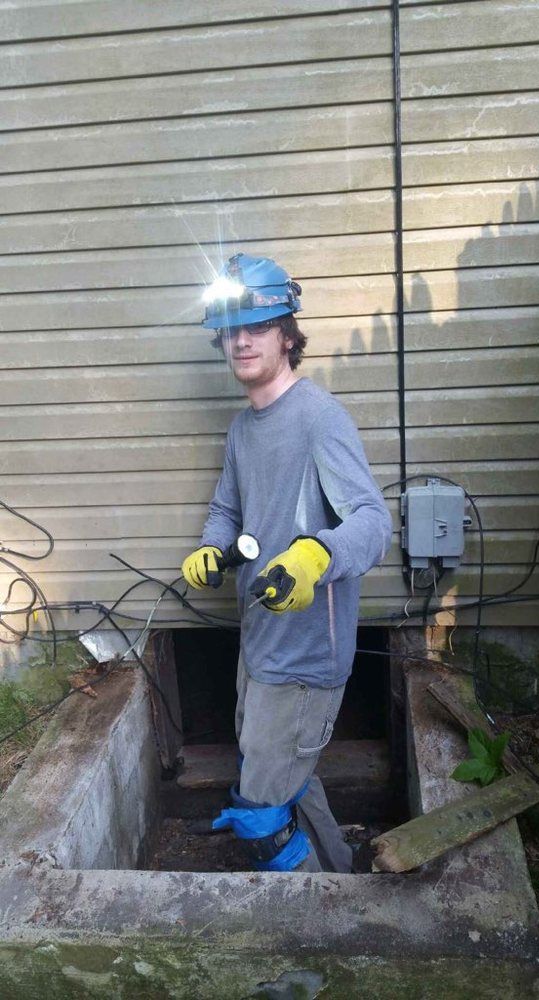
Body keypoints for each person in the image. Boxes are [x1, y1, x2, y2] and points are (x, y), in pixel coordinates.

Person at [181, 252, 392, 873]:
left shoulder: (319, 418)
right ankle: (341, 877)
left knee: (263, 817)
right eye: (230, 330)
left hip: (305, 659)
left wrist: (314, 555)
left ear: (286, 334)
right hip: (260, 644)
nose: (241, 341)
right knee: (288, 777)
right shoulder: (243, 429)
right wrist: (208, 549)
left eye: (257, 327)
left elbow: (374, 523)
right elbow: (227, 509)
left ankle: (310, 951)